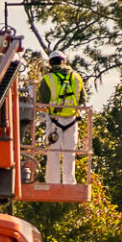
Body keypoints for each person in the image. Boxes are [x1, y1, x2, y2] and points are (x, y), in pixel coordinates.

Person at [37, 53, 85, 185]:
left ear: (50, 63)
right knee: (70, 153)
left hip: (54, 121)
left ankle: (53, 182)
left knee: (53, 152)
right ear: (64, 62)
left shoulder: (48, 78)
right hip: (72, 120)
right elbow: (82, 99)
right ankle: (70, 183)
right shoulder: (76, 77)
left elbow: (44, 100)